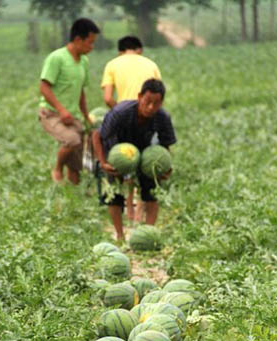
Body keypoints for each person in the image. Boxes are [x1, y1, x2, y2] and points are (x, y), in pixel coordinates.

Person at [92, 79, 176, 241]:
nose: (151, 107)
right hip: (118, 149)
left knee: (151, 190)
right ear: (139, 97)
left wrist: (165, 167)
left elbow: (165, 146)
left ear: (162, 102)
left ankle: (149, 235)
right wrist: (103, 162)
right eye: (147, 102)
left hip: (145, 150)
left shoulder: (162, 117)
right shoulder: (120, 112)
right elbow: (97, 135)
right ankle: (120, 235)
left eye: (156, 103)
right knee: (115, 192)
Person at [101, 36, 162, 221]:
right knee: (146, 165)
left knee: (124, 163)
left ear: (120, 51)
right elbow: (157, 92)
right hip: (146, 119)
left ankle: (128, 207)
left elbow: (107, 98)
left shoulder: (112, 64)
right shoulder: (150, 64)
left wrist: (118, 111)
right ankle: (139, 210)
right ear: (139, 49)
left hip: (123, 120)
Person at [39, 18, 100, 185]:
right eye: (90, 42)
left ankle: (73, 194)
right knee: (72, 140)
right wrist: (61, 110)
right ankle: (57, 168)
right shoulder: (56, 58)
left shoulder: (84, 62)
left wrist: (86, 116)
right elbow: (44, 87)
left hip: (73, 116)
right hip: (50, 113)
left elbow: (81, 92)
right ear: (78, 39)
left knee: (76, 162)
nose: (92, 47)